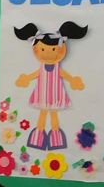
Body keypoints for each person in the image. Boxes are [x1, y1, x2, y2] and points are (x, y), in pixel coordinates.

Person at [13, 22, 87, 151]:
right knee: (43, 114)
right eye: (43, 49)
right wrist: (26, 78)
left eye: (53, 49)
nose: (47, 53)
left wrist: (73, 80)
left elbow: (64, 75)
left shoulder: (57, 67)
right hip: (42, 95)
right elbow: (35, 75)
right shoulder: (42, 67)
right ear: (36, 49)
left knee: (53, 115)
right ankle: (38, 138)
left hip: (55, 95)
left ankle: (56, 140)